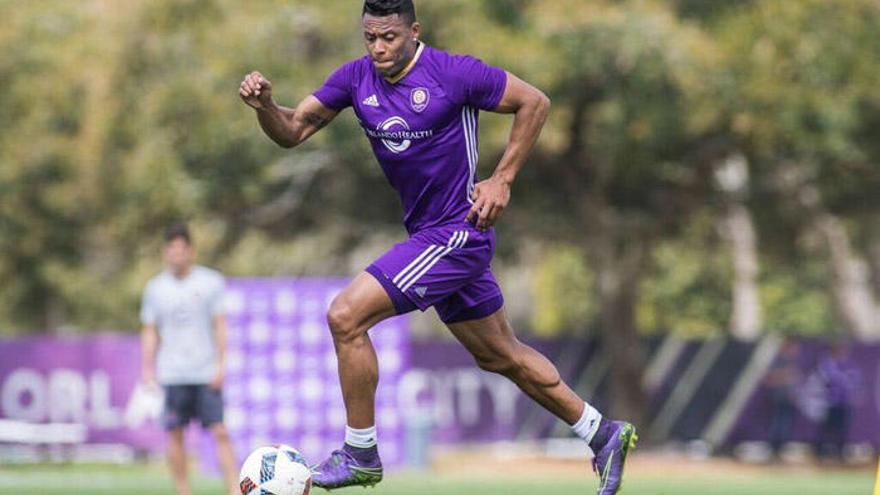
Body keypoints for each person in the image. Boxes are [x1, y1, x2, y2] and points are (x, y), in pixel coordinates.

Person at [239, 1, 636, 493]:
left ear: (413, 31)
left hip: (457, 232)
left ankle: (360, 452)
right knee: (500, 356)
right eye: (370, 37)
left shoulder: (454, 73)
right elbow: (292, 130)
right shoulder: (354, 79)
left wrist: (502, 179)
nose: (380, 47)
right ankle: (602, 432)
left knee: (345, 315)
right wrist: (265, 109)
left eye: (389, 36)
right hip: (431, 237)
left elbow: (535, 102)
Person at [140, 224, 238, 495]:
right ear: (165, 252)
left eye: (182, 249)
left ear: (191, 251)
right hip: (172, 372)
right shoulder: (155, 288)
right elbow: (150, 330)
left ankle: (233, 489)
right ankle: (183, 491)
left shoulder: (210, 282)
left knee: (220, 431)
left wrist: (220, 364)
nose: (177, 255)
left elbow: (220, 325)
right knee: (175, 434)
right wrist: (148, 368)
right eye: (172, 250)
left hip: (205, 371)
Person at [813, 343, 859, 462]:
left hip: (844, 401)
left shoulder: (848, 364)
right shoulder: (827, 363)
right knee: (827, 428)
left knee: (842, 428)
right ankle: (821, 452)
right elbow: (830, 379)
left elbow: (853, 379)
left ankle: (840, 452)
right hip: (830, 402)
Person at [765, 337, 801, 458]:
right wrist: (785, 375)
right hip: (779, 397)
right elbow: (769, 379)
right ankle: (774, 448)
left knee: (786, 424)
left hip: (789, 398)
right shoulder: (778, 360)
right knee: (778, 423)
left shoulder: (792, 361)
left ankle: (781, 448)